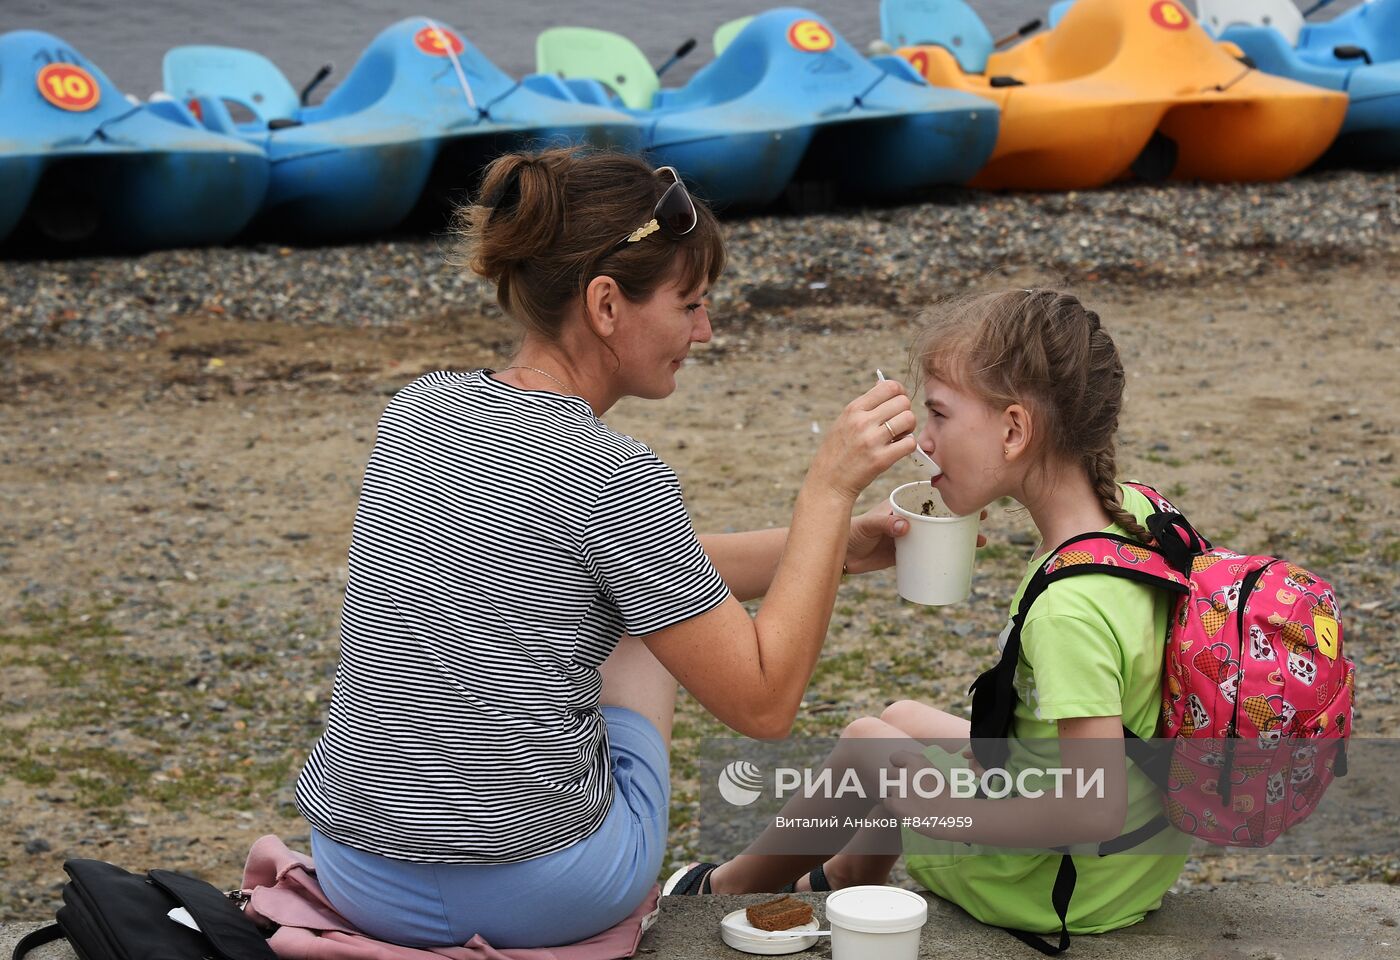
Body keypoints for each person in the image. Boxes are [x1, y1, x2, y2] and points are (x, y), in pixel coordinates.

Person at [291, 147, 924, 949]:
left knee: (641, 604)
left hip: (359, 868)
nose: (705, 329)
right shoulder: (615, 475)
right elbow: (764, 704)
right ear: (605, 305)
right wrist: (828, 493)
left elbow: (628, 564)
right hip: (541, 890)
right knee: (650, 632)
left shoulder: (419, 407)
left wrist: (839, 548)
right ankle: (718, 883)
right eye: (689, 302)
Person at [668, 289, 1190, 941]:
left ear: (1013, 430)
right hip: (1134, 862)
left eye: (939, 415)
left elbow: (1092, 808)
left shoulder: (1069, 610)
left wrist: (944, 809)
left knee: (868, 745)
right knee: (901, 722)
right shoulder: (1136, 516)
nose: (924, 440)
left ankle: (733, 884)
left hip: (1058, 888)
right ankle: (852, 867)